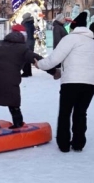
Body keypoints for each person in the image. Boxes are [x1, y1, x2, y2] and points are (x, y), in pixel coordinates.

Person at [35, 12, 94, 152]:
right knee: (81, 113)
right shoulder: (92, 41)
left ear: (73, 27)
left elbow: (54, 59)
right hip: (89, 84)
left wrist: (40, 65)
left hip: (71, 83)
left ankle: (64, 144)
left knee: (65, 112)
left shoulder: (70, 39)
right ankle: (79, 143)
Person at [0, 25, 58, 129]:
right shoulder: (23, 49)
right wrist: (53, 71)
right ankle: (18, 124)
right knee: (13, 104)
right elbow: (38, 59)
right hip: (10, 80)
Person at [21, 12, 35, 77]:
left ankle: (26, 72)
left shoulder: (26, 24)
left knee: (25, 57)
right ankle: (28, 72)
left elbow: (27, 35)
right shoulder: (30, 23)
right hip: (31, 42)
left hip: (28, 42)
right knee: (28, 57)